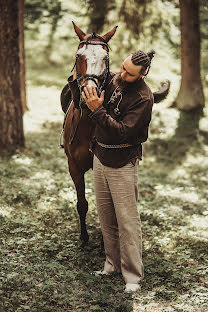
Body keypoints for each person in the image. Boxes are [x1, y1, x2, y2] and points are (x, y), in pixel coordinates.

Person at [81, 50, 155, 293]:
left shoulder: (144, 98)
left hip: (122, 161)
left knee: (127, 221)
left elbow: (123, 131)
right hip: (100, 156)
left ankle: (132, 275)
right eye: (122, 67)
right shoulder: (115, 78)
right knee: (106, 217)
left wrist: (97, 110)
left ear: (143, 74)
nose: (121, 74)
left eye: (129, 73)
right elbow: (93, 75)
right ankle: (111, 264)